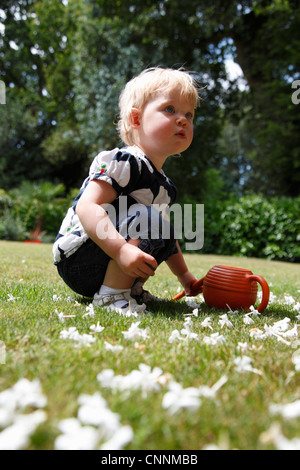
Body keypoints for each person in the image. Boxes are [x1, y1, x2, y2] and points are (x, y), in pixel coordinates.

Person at [53, 67, 201, 314]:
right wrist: (121, 249)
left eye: (189, 114)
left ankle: (128, 288)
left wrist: (184, 276)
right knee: (151, 219)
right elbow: (87, 206)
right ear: (136, 119)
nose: (182, 119)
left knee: (163, 227)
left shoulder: (165, 186)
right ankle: (111, 296)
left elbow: (164, 235)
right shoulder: (124, 161)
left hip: (108, 261)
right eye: (169, 109)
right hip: (79, 258)